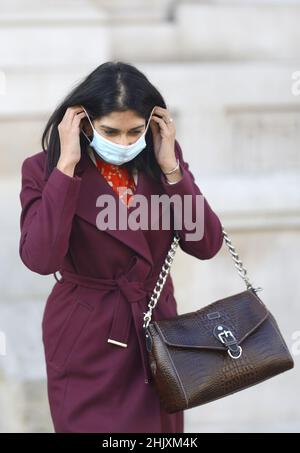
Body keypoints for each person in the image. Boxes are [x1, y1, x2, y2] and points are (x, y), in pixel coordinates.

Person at [18, 61, 224, 433]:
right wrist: (66, 166)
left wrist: (172, 169)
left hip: (158, 333)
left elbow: (207, 243)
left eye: (135, 131)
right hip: (86, 334)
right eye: (111, 131)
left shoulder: (162, 160)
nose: (125, 143)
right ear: (83, 123)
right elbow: (40, 257)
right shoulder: (43, 170)